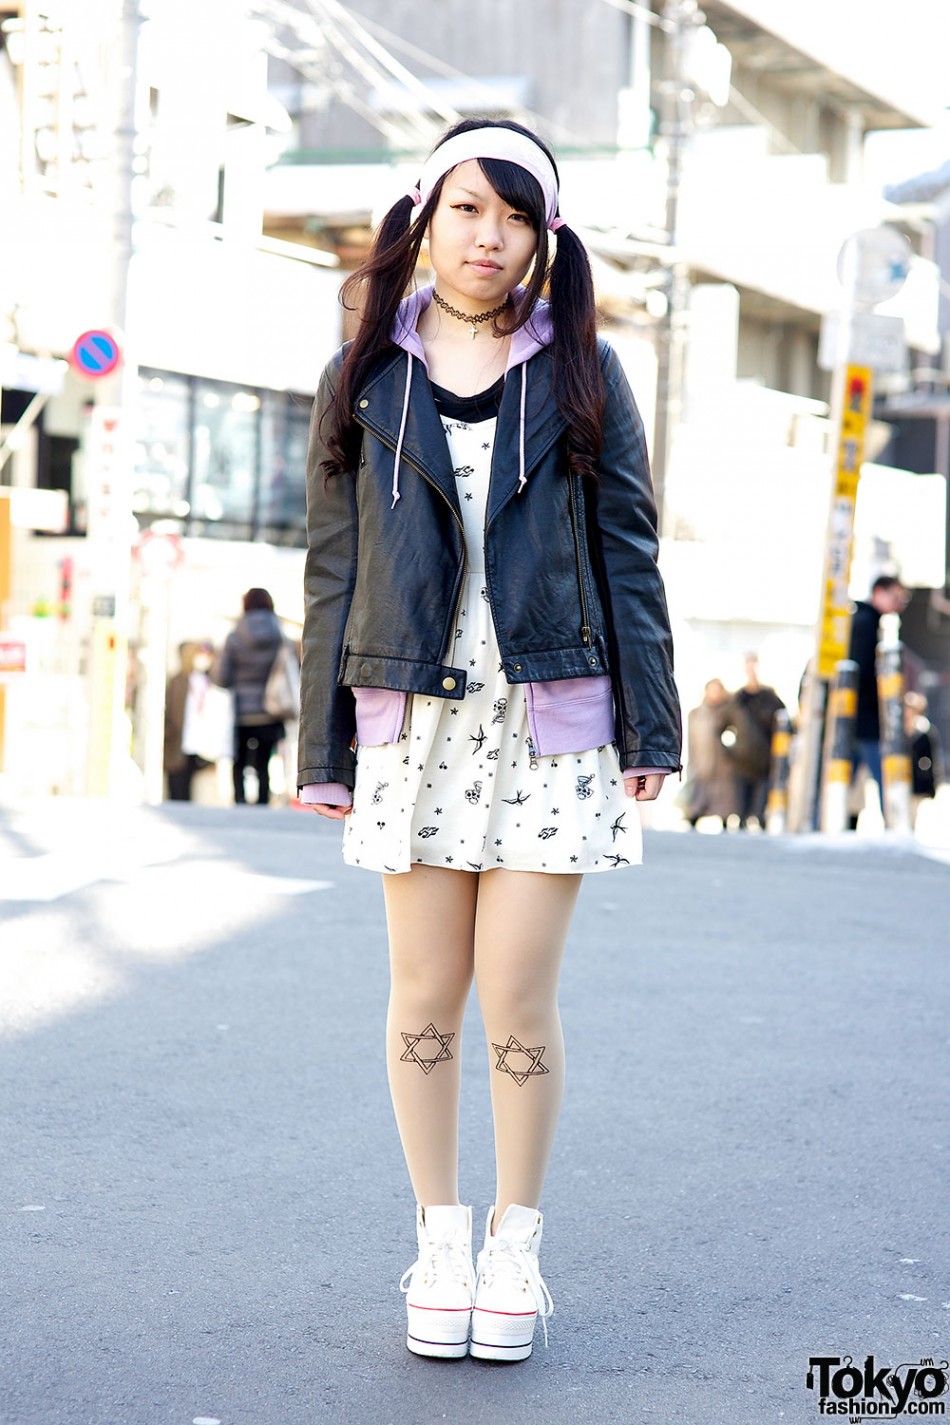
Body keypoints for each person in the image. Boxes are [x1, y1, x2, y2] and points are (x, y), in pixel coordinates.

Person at [297, 119, 681, 1363]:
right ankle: (440, 1237)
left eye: (514, 217)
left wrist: (650, 720)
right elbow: (332, 567)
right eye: (468, 209)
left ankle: (517, 1239)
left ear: (542, 237)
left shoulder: (580, 370)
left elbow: (626, 548)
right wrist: (321, 746)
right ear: (427, 214)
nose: (489, 237)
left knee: (515, 993)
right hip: (413, 723)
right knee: (423, 994)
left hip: (549, 723)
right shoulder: (368, 370)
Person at [212, 588, 286, 805]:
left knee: (240, 761)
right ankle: (263, 802)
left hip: (242, 711)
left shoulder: (234, 637)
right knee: (264, 762)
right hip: (272, 708)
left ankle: (240, 802)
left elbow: (220, 677)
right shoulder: (280, 636)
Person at [848, 575, 909, 816]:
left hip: (856, 715)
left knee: (845, 772)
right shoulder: (866, 622)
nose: (899, 603)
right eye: (895, 596)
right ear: (878, 593)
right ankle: (894, 822)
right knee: (883, 772)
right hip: (865, 716)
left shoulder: (865, 620)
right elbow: (862, 672)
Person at [721, 654, 785, 829]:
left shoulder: (770, 698)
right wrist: (728, 751)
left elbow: (784, 725)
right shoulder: (737, 700)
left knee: (761, 811)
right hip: (741, 760)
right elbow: (720, 727)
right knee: (741, 811)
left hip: (764, 760)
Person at [164, 641, 215, 801]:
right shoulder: (178, 681)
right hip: (179, 741)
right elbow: (171, 711)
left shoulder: (207, 680)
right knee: (178, 790)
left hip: (200, 743)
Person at [682, 678, 735, 828]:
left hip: (723, 763)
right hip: (702, 760)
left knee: (722, 796)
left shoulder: (728, 712)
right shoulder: (696, 713)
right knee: (699, 793)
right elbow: (691, 740)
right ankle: (693, 816)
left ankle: (725, 820)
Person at [905, 690, 944, 828]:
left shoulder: (924, 731)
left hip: (917, 782)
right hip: (901, 778)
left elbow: (931, 760)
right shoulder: (898, 730)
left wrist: (931, 784)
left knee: (911, 816)